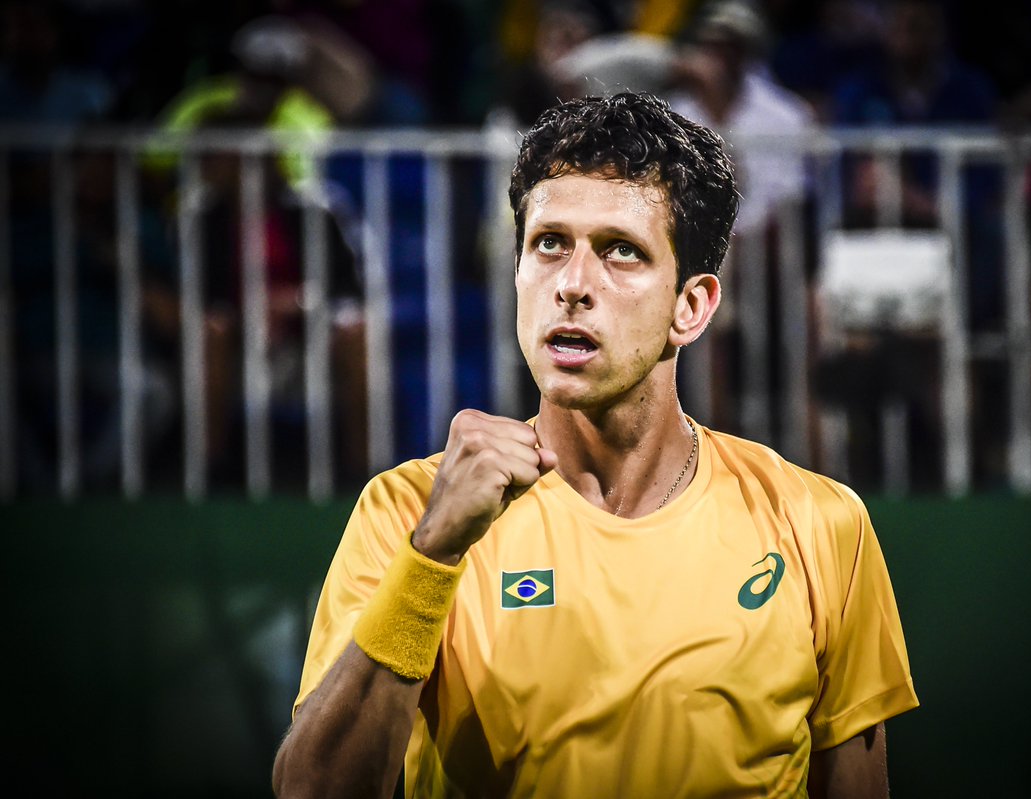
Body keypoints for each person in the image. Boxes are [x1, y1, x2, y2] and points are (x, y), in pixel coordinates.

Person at [272, 92, 918, 797]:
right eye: (549, 243)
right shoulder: (409, 513)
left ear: (691, 307)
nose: (573, 285)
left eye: (621, 251)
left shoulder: (819, 523)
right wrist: (432, 557)